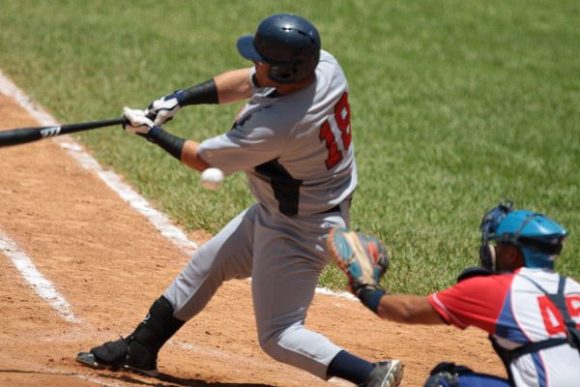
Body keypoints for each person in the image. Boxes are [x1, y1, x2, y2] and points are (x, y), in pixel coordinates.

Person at [76, 13, 403, 387]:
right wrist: (181, 98)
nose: (253, 63)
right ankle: (141, 349)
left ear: (281, 72)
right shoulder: (323, 66)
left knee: (279, 334)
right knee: (206, 264)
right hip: (286, 210)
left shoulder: (278, 125)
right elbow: (249, 81)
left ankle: (371, 376)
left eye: (260, 59)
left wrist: (150, 132)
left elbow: (203, 159)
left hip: (301, 229)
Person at [327, 202, 580, 386]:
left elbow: (407, 311)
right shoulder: (573, 289)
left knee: (445, 383)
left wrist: (365, 289)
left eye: (499, 245)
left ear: (513, 254)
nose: (491, 251)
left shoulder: (499, 290)